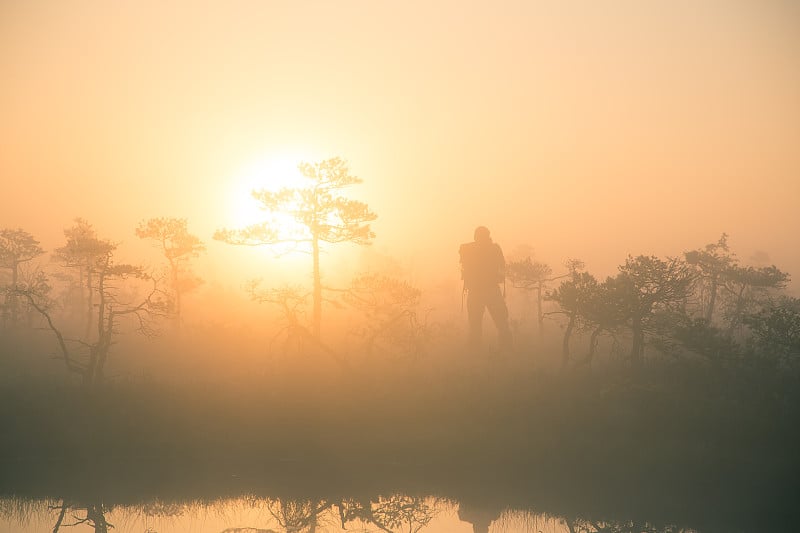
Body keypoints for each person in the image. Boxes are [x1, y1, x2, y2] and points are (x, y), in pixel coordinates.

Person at [459, 226, 512, 351]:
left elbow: (463, 265)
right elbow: (502, 268)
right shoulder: (494, 249)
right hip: (491, 290)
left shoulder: (467, 249)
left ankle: (475, 350)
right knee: (501, 322)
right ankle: (506, 349)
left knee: (475, 324)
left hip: (475, 291)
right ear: (488, 235)